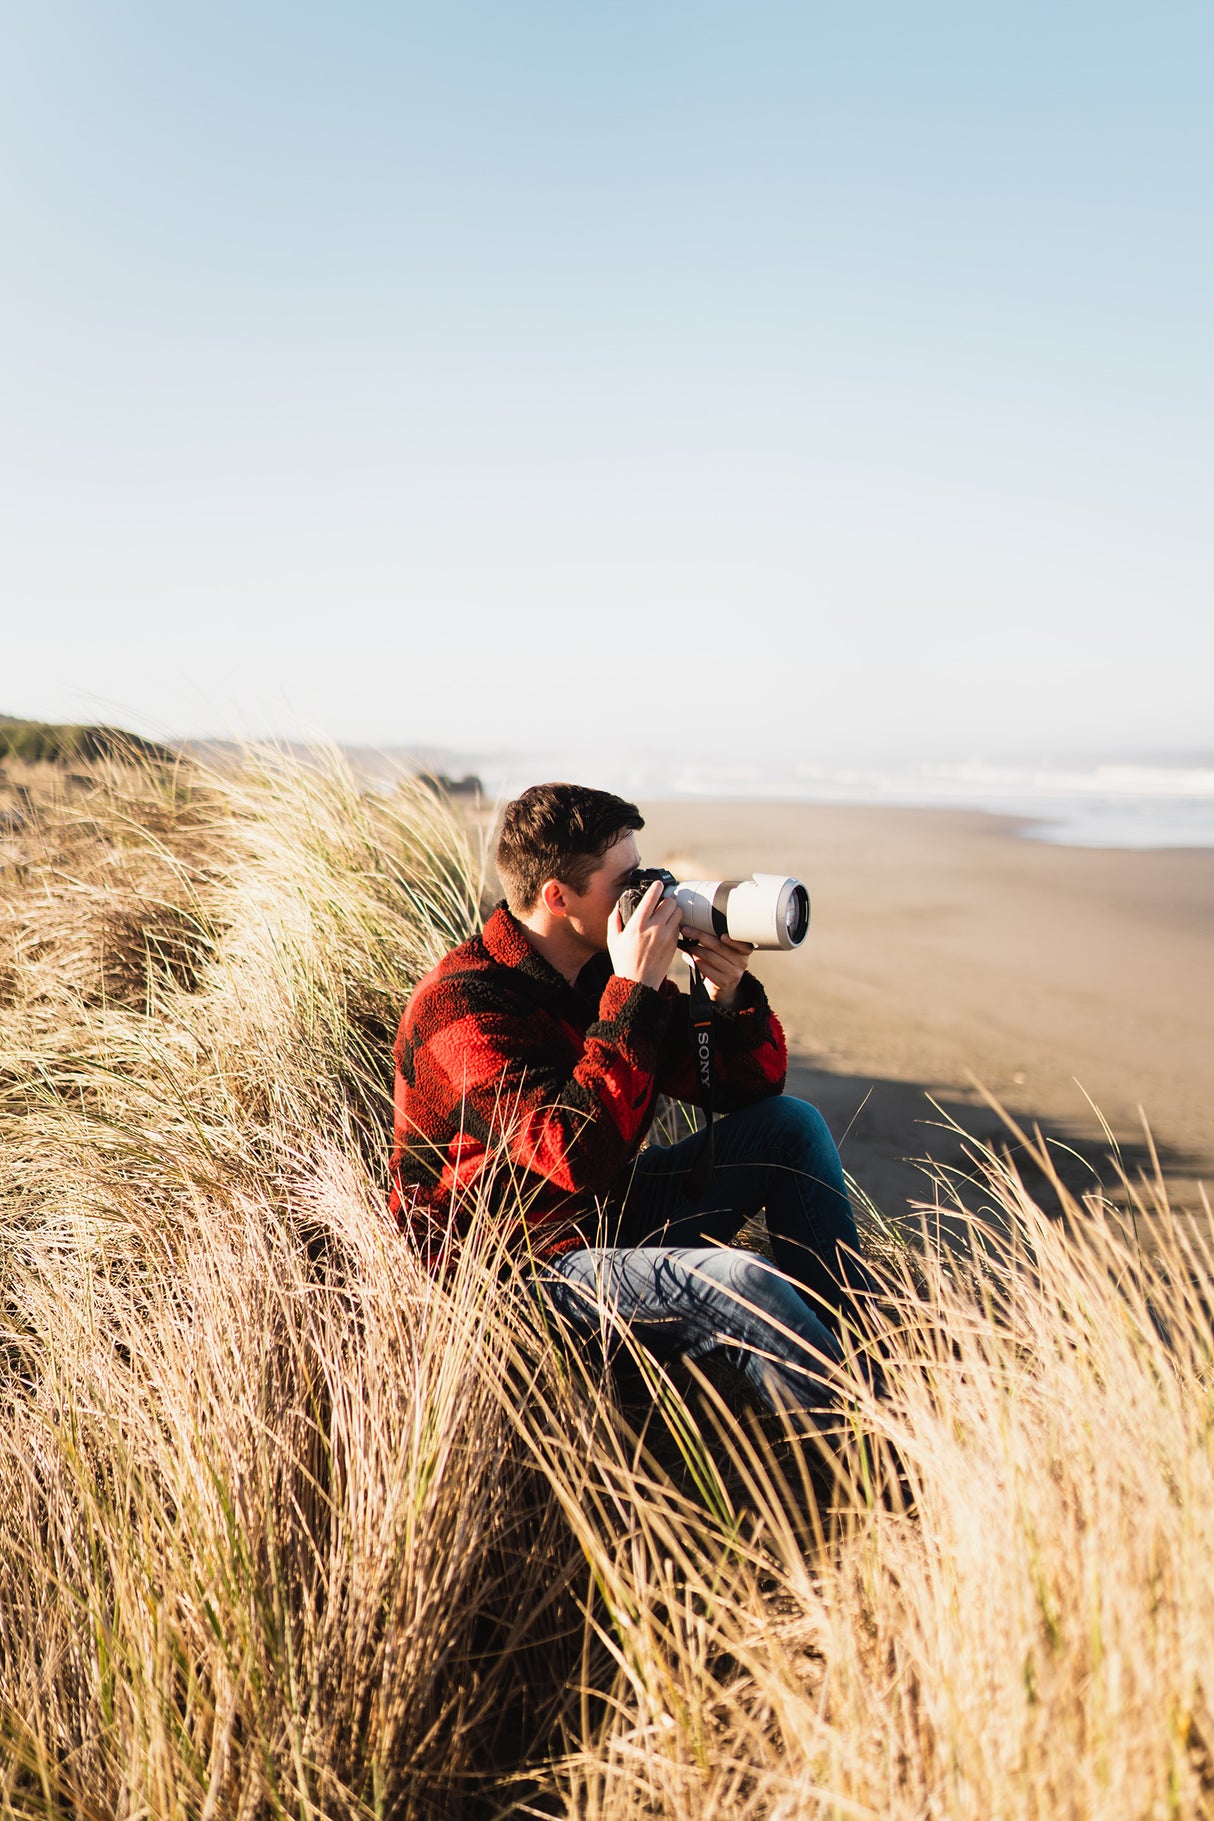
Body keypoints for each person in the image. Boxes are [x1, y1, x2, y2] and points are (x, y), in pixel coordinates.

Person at [389, 782, 881, 1431]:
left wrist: (727, 993)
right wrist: (634, 992)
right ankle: (872, 1451)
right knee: (745, 1284)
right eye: (627, 882)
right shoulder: (462, 1008)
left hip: (597, 1216)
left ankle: (869, 1366)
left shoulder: (593, 971)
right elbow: (575, 1153)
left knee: (791, 1128)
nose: (649, 894)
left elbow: (752, 1085)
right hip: (511, 1271)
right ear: (558, 897)